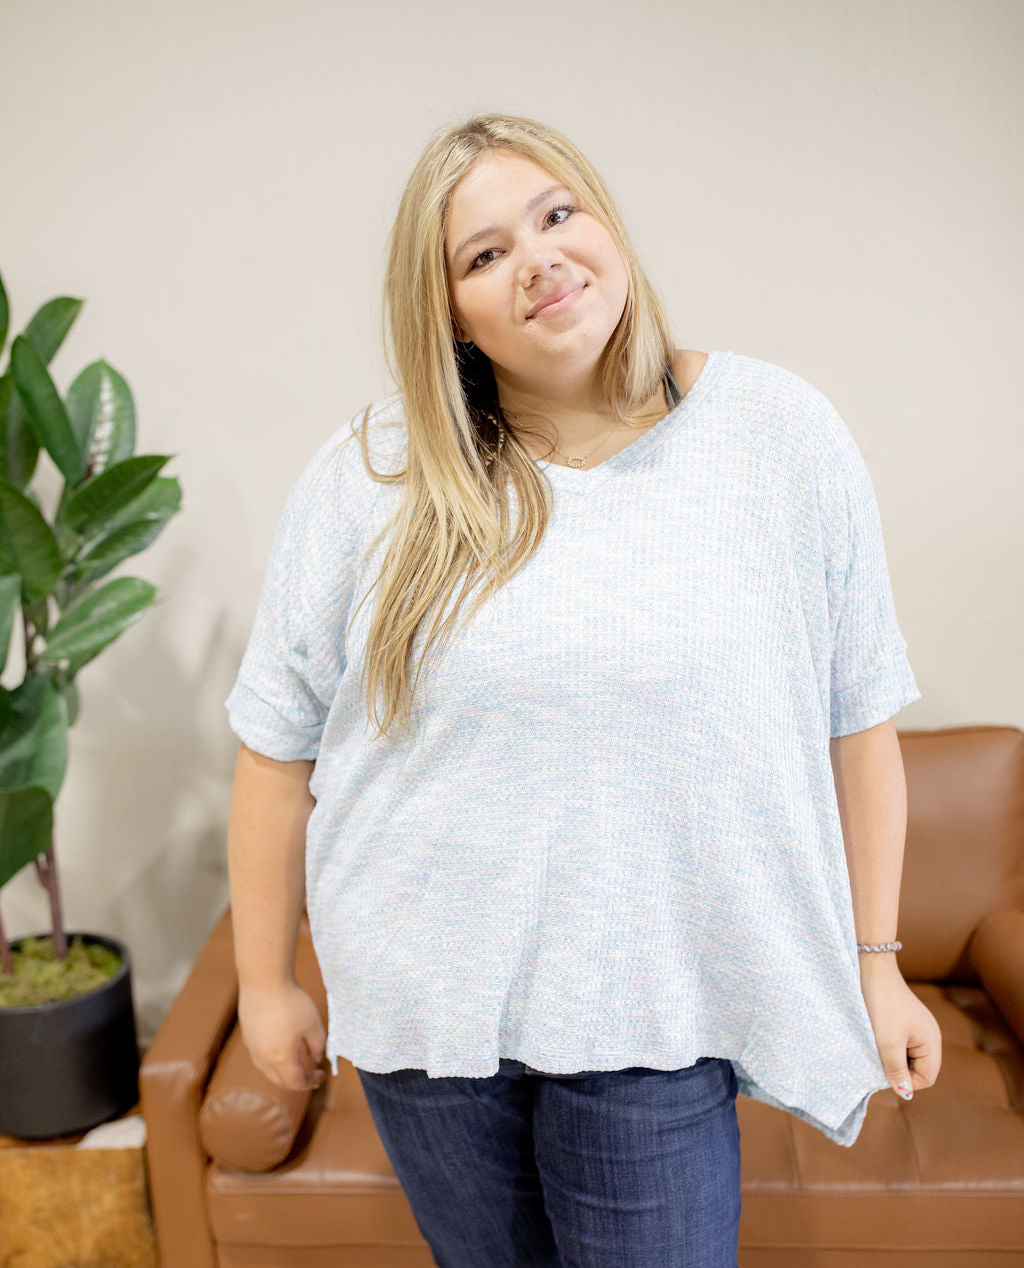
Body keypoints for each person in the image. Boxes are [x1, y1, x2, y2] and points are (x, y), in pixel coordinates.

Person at [225, 112, 941, 1268]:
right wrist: (265, 982)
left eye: (557, 213)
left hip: (653, 1005)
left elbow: (858, 717)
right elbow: (274, 744)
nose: (539, 258)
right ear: (450, 314)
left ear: (606, 223)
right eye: (484, 253)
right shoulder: (374, 471)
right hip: (427, 1013)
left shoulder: (776, 435)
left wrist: (877, 960)